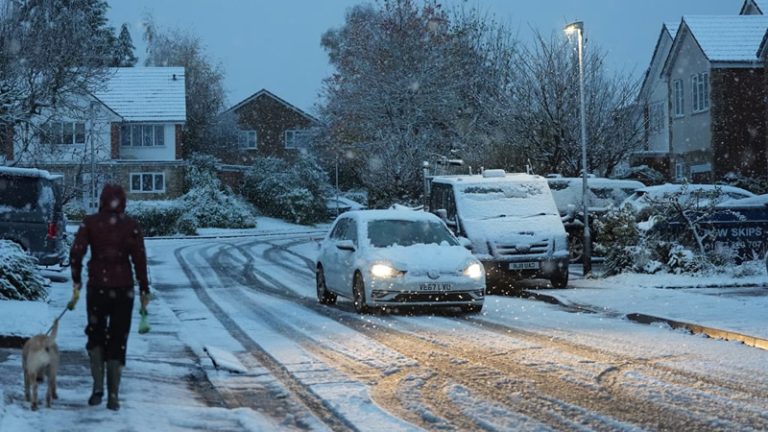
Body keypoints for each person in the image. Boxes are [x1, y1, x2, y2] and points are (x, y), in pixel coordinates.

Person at [68, 184, 150, 411]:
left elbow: (76, 252)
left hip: (97, 289)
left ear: (101, 200)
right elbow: (139, 259)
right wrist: (144, 287)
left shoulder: (90, 223)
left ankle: (97, 387)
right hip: (124, 289)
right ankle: (113, 394)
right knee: (118, 337)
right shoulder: (131, 225)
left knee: (95, 333)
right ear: (123, 202)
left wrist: (76, 279)